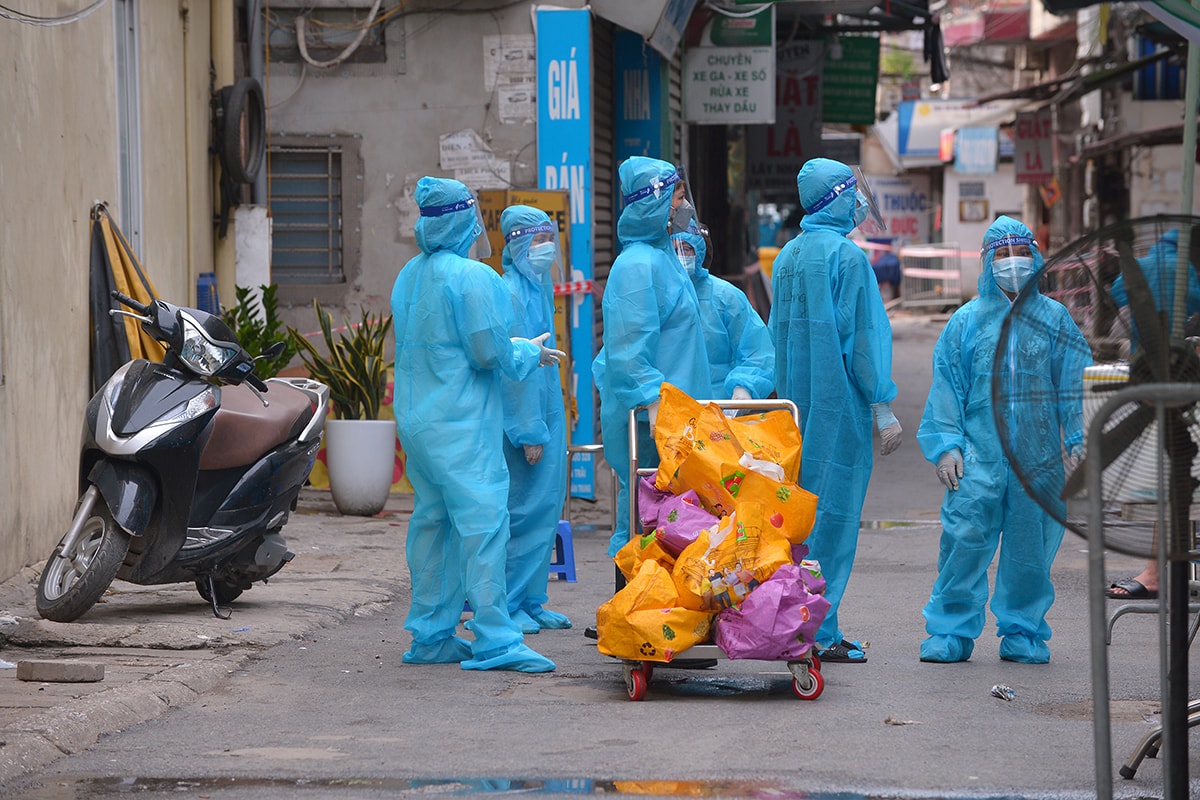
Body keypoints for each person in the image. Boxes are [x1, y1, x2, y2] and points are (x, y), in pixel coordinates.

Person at [391, 177, 564, 673]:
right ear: (468, 219)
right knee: (485, 525)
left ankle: (429, 636)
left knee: (434, 526)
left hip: (419, 422)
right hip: (462, 426)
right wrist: (529, 351)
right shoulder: (474, 277)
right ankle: (496, 638)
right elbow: (490, 352)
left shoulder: (409, 274)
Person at [917, 215, 1092, 664]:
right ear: (985, 262)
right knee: (964, 541)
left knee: (1030, 550)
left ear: (1036, 258)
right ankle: (950, 630)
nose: (1012, 264)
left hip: (1038, 460)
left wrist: (1077, 435)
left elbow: (1075, 382)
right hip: (978, 457)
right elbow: (947, 387)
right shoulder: (966, 322)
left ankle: (1024, 631)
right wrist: (947, 445)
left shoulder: (1055, 319)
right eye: (1002, 256)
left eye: (1020, 254)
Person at [768, 157, 903, 664]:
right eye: (853, 191)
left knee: (798, 523)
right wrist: (881, 404)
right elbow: (863, 341)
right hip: (838, 409)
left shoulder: (787, 257)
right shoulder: (847, 260)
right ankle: (816, 632)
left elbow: (778, 335)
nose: (860, 200)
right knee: (835, 522)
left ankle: (809, 622)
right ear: (839, 196)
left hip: (793, 412)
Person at [593, 156, 711, 559]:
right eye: (678, 196)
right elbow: (628, 351)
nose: (685, 206)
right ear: (656, 202)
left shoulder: (662, 259)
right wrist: (656, 404)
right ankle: (630, 610)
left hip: (676, 416)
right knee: (645, 523)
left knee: (670, 526)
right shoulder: (637, 266)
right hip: (652, 422)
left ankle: (655, 614)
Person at [497, 205, 572, 634]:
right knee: (522, 513)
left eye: (549, 241)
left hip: (547, 411)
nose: (545, 250)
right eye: (537, 242)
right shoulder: (510, 293)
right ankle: (509, 602)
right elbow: (514, 371)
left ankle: (531, 598)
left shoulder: (538, 288)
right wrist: (528, 430)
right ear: (518, 244)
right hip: (526, 421)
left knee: (544, 510)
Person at [670, 223, 774, 407]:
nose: (679, 256)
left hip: (720, 410)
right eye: (673, 249)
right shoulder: (653, 296)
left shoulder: (725, 298)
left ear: (700, 252)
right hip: (665, 412)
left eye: (686, 249)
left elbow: (757, 350)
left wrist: (744, 388)